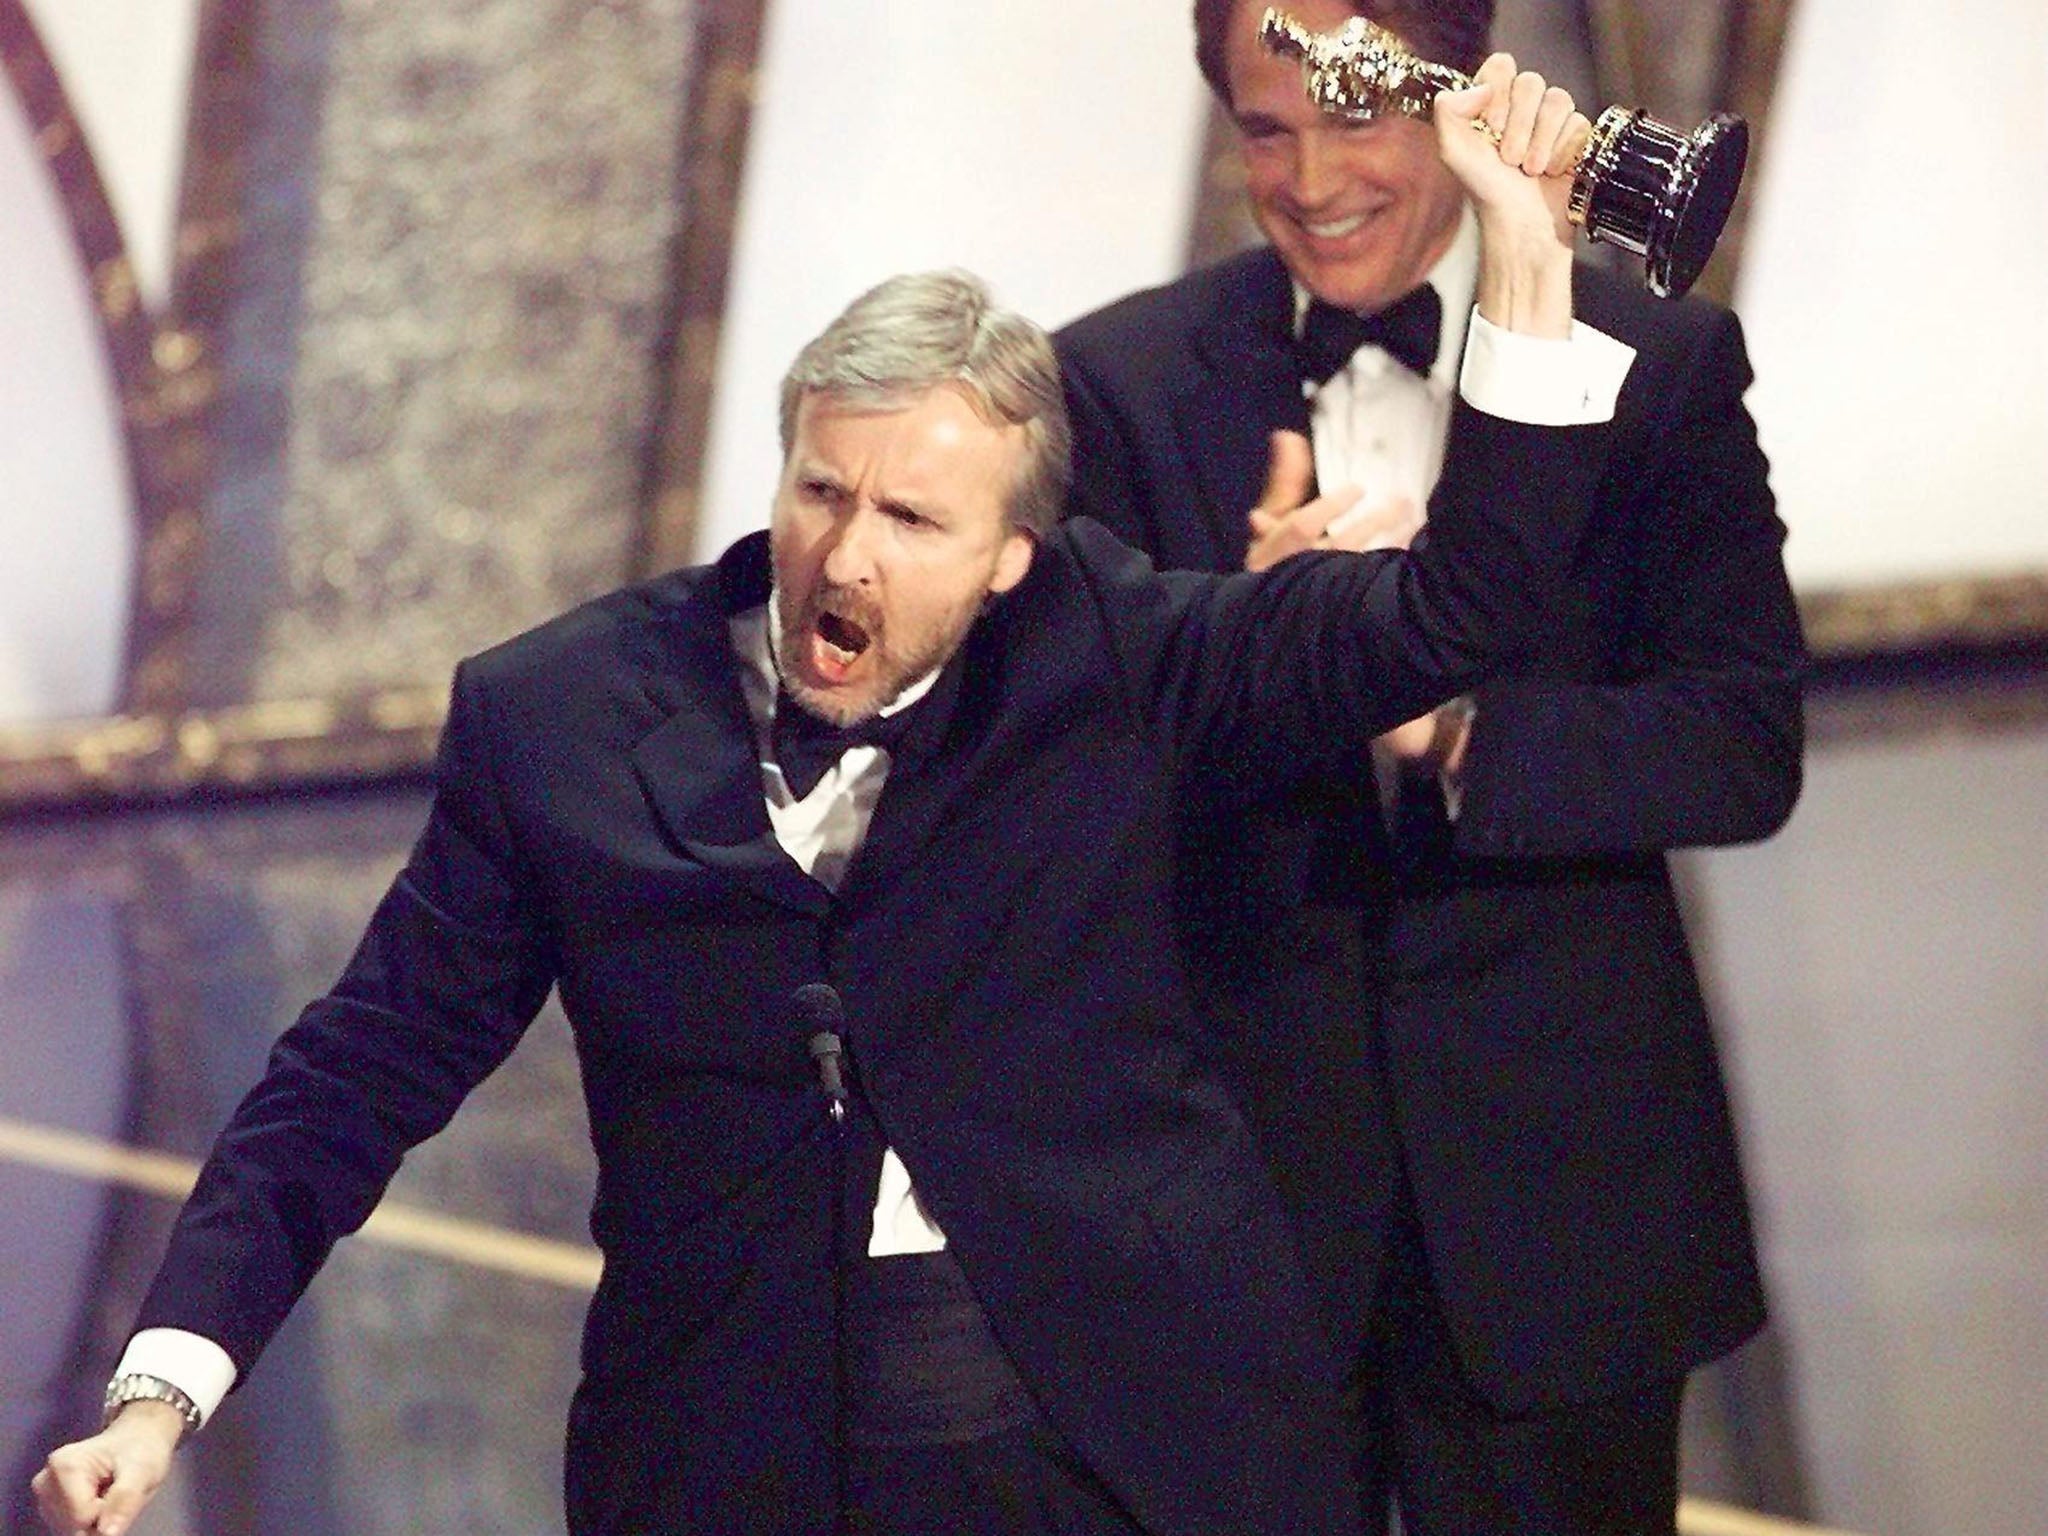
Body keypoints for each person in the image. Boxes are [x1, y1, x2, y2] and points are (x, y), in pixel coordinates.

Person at [36, 68, 1606, 1536]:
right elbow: (359, 1068)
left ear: (1011, 561)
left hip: (1125, 1426)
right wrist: (164, 1391)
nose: (847, 557)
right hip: (735, 1441)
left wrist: (1526, 258)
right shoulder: (561, 717)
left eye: (913, 518)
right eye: (821, 491)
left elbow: (1461, 610)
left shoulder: (1117, 650)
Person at [1053, 3, 1808, 1532]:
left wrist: (1448, 728)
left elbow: (1741, 746)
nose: (1312, 178)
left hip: (1560, 1204)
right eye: (1267, 128)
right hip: (1248, 1216)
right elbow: (1082, 791)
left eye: (1355, 121)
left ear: (1463, 103)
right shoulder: (1116, 384)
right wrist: (1263, 660)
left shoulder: (1656, 366)